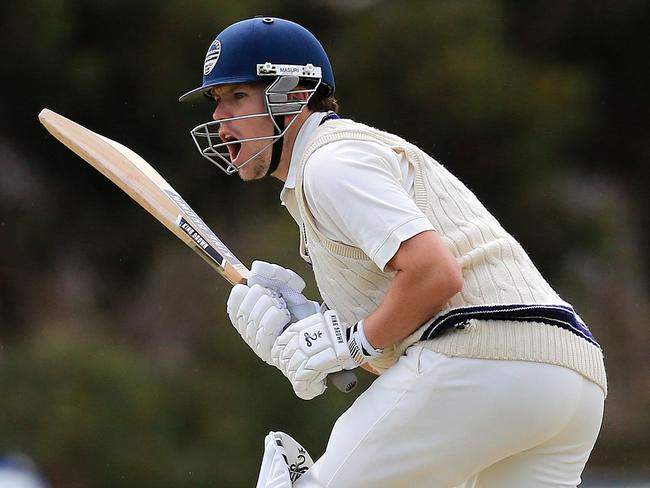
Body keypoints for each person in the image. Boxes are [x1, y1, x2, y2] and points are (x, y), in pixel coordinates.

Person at [179, 16, 606, 488]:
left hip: (482, 362)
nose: (219, 119)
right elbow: (413, 323)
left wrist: (351, 341)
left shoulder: (329, 163)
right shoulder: (340, 163)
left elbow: (435, 274)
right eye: (217, 102)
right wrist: (320, 332)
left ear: (295, 92)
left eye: (237, 96)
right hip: (570, 381)